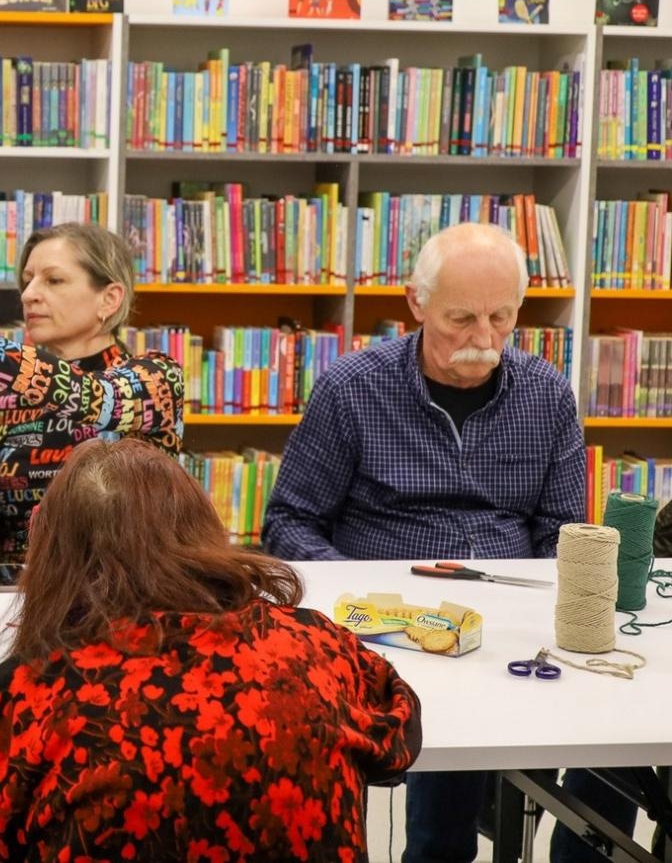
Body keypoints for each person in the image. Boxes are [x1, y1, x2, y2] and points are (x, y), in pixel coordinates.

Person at [260, 221, 630, 863]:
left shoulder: (545, 393)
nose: (483, 339)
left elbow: (562, 535)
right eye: (461, 318)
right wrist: (367, 603)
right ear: (417, 303)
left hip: (513, 623)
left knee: (618, 740)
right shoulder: (353, 388)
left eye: (501, 318)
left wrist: (544, 610)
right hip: (387, 629)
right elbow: (289, 524)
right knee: (442, 787)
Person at [0, 437, 423, 860]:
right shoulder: (317, 645)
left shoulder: (14, 701)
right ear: (202, 529)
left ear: (54, 556)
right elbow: (397, 738)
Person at [0, 222, 184, 578]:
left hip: (123, 599)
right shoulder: (4, 403)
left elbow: (94, 397)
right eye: (27, 280)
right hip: (24, 601)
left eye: (54, 280)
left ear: (109, 299)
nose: (29, 294)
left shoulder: (158, 379)